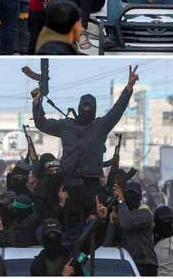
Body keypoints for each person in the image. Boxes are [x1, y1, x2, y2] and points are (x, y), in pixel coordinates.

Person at [32, 65, 138, 205]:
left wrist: (129, 87)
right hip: (68, 182)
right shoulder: (66, 125)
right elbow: (41, 124)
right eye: (84, 107)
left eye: (89, 108)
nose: (86, 110)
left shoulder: (100, 126)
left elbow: (116, 111)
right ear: (79, 107)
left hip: (92, 185)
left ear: (94, 110)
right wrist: (37, 103)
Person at [108, 182, 158, 276]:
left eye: (134, 194)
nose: (131, 197)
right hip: (127, 264)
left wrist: (121, 201)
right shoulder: (122, 216)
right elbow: (108, 243)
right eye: (128, 194)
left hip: (145, 264)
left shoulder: (145, 214)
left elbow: (127, 223)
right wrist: (112, 223)